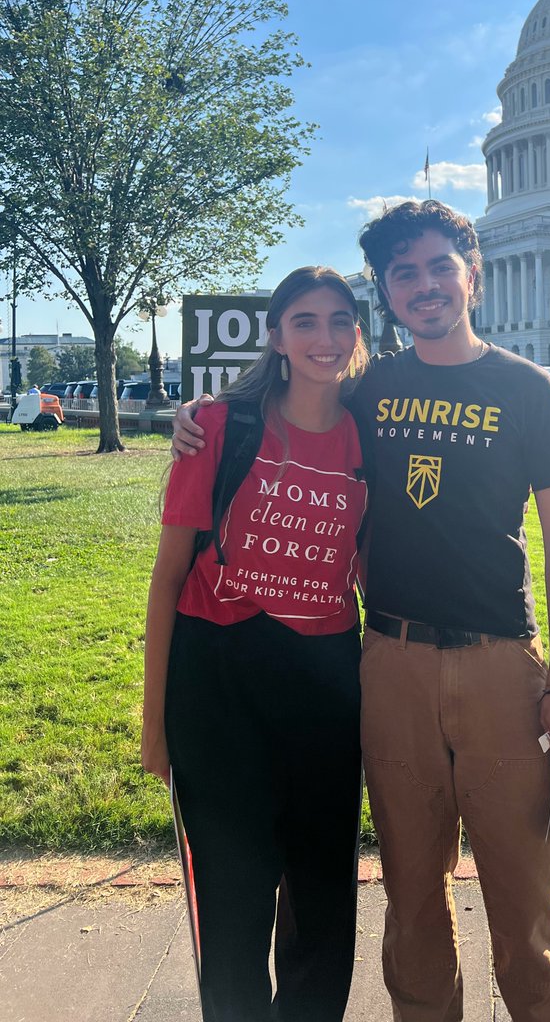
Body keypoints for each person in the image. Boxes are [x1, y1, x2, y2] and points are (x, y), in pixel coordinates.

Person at [174, 201, 550, 1022]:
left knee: (525, 893)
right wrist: (198, 419)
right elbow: (297, 388)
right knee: (411, 890)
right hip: (390, 661)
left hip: (502, 662)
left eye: (440, 266)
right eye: (405, 273)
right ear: (388, 292)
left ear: (472, 272)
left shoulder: (527, 387)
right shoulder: (373, 388)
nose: (425, 285)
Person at [143, 265, 369, 1022]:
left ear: (357, 333)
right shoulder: (217, 427)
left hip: (327, 684)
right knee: (233, 904)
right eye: (304, 321)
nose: (324, 337)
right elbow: (168, 580)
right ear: (275, 335)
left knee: (323, 899)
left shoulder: (366, 432)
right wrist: (155, 726)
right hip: (220, 684)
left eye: (340, 320)